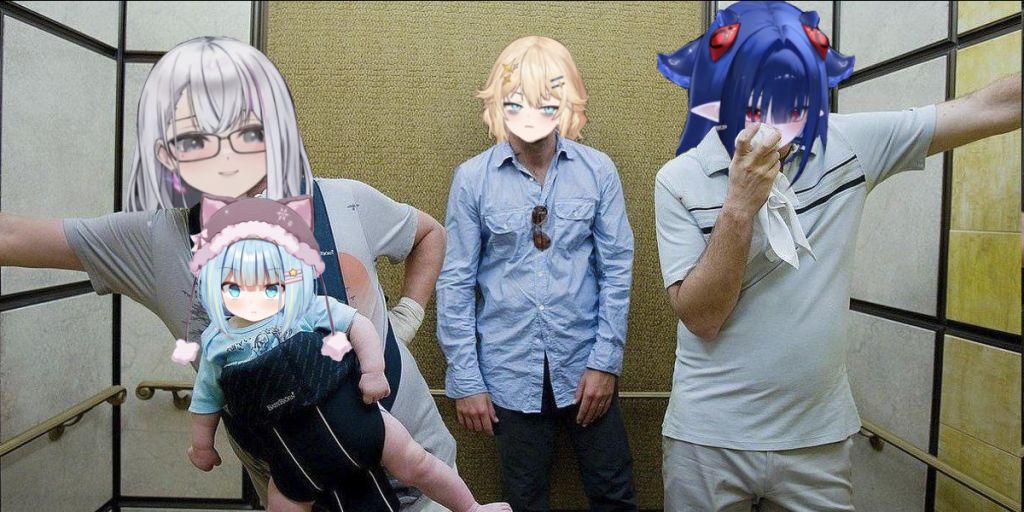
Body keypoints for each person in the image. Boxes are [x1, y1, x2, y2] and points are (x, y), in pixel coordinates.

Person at [0, 36, 453, 511]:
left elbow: (429, 235)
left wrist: (405, 318)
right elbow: (11, 235)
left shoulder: (346, 200)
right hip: (298, 494)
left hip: (425, 478)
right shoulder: (156, 240)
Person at [654, 2, 1022, 510]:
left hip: (818, 438)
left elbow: (984, 110)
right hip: (708, 437)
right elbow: (702, 317)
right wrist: (739, 204)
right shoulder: (678, 179)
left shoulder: (846, 145)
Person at [180, 194, 509, 512]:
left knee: (417, 461)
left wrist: (373, 371)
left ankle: (470, 507)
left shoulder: (303, 306)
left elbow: (357, 324)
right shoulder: (216, 341)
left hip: (356, 419)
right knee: (284, 502)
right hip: (291, 454)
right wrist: (202, 444)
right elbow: (206, 400)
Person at [436, 36, 637, 512]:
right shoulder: (473, 179)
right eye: (516, 100)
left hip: (586, 363)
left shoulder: (598, 171)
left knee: (615, 495)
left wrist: (605, 362)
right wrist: (466, 379)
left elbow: (617, 269)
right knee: (524, 501)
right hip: (507, 370)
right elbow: (455, 281)